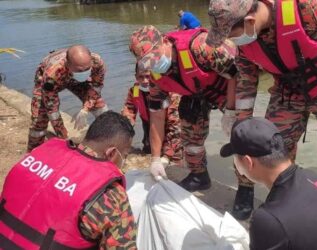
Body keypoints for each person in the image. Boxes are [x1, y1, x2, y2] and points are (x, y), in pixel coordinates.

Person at [206, 0, 317, 201]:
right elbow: (247, 80)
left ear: (249, 21)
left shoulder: (311, 7)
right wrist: (240, 121)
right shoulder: (247, 42)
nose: (231, 41)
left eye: (231, 35)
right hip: (288, 89)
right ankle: (282, 200)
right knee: (269, 145)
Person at [129, 26, 245, 198]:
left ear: (166, 41)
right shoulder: (156, 76)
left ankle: (246, 186)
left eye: (155, 55)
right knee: (190, 136)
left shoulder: (202, 46)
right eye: (146, 60)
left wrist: (230, 111)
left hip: (227, 84)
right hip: (195, 92)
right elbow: (157, 115)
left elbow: (238, 74)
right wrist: (155, 159)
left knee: (243, 132)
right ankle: (199, 176)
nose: (153, 62)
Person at [0, 111, 137, 249]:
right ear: (112, 153)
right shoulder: (109, 194)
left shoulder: (38, 154)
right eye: (124, 155)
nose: (123, 161)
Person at [220, 117, 317, 250]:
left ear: (248, 162)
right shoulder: (311, 178)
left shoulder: (268, 219)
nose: (235, 164)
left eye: (235, 158)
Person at [27, 45, 109, 152]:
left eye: (87, 69)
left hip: (72, 78)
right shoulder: (51, 74)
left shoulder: (97, 62)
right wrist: (64, 138)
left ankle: (109, 140)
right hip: (51, 80)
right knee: (39, 120)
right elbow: (52, 110)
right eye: (80, 70)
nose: (84, 72)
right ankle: (33, 154)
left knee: (100, 107)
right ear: (68, 64)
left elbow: (95, 88)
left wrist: (85, 109)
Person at [121, 66, 183, 164]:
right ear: (136, 77)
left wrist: (167, 155)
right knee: (149, 153)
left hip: (169, 130)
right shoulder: (135, 90)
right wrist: (124, 131)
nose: (145, 81)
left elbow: (176, 126)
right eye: (141, 77)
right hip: (148, 128)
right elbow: (129, 110)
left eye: (148, 76)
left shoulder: (169, 92)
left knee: (174, 163)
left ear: (155, 75)